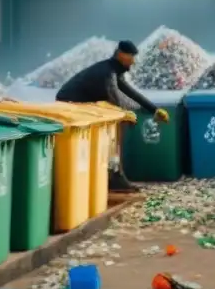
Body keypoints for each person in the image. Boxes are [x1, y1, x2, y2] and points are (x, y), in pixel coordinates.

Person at [56, 40, 170, 192]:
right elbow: (117, 98)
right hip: (69, 106)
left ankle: (114, 177)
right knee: (115, 129)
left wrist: (154, 110)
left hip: (78, 105)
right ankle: (114, 178)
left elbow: (129, 92)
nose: (133, 61)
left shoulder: (113, 70)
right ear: (121, 55)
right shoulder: (107, 73)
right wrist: (128, 113)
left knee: (114, 132)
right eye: (131, 57)